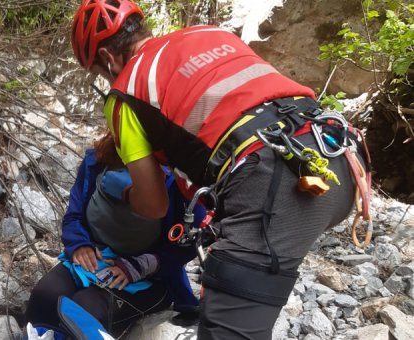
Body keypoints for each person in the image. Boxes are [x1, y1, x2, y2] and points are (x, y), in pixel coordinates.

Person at [69, 1, 371, 339]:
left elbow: (154, 205)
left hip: (273, 182)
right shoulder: (208, 34)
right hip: (338, 154)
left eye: (98, 70)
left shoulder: (125, 93)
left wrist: (127, 195)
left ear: (108, 59)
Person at [25, 133, 205, 338]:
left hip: (149, 277)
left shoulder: (179, 185)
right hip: (95, 259)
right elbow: (74, 215)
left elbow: (189, 244)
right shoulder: (98, 162)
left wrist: (141, 265)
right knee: (45, 296)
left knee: (85, 308)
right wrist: (79, 245)